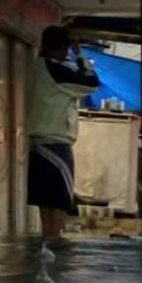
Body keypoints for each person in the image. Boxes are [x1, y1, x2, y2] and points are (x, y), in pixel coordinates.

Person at [27, 25, 99, 238]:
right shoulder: (55, 70)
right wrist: (81, 56)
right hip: (56, 144)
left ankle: (46, 249)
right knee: (58, 201)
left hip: (38, 144)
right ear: (63, 48)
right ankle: (54, 250)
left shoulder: (36, 68)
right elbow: (91, 82)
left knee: (45, 202)